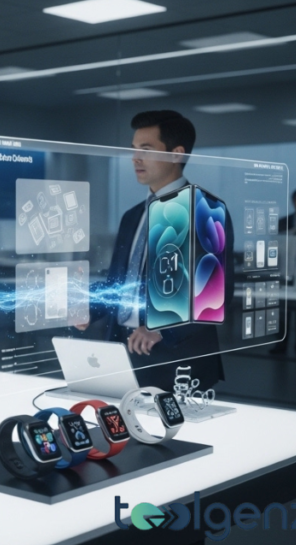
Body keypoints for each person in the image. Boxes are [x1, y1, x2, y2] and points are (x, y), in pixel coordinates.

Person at [79, 110, 230, 391]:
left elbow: (215, 297)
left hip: (175, 358)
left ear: (176, 154)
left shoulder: (204, 210)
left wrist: (161, 329)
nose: (135, 158)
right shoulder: (132, 216)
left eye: (146, 150)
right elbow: (119, 284)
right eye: (134, 150)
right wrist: (90, 308)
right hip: (122, 352)